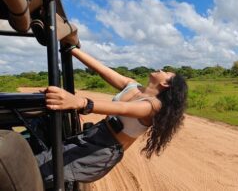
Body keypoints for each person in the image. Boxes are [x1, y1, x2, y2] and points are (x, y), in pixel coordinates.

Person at [36, 45, 188, 183]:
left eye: (166, 72)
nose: (161, 70)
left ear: (166, 84)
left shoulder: (154, 106)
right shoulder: (133, 86)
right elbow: (101, 69)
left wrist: (82, 103)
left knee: (46, 173)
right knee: (42, 162)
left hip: (104, 149)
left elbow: (123, 108)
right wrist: (71, 49)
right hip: (96, 132)